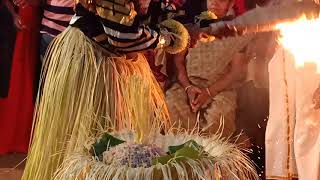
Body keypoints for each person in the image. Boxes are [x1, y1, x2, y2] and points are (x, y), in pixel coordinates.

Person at [22, 0, 189, 179]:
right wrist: (167, 39)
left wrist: (192, 27)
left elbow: (144, 12)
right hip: (90, 61)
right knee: (95, 141)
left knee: (111, 137)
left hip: (110, 61)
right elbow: (122, 36)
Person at [166, 0, 252, 137]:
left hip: (220, 88)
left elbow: (235, 71)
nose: (215, 2)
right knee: (172, 103)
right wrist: (188, 88)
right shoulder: (189, 27)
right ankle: (182, 154)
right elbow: (179, 62)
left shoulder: (239, 32)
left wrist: (209, 92)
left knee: (219, 116)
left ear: (230, 5)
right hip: (187, 84)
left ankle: (211, 156)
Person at [0, 0, 41, 154]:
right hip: (19, 21)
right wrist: (13, 14)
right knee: (19, 71)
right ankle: (18, 129)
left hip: (33, 20)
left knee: (28, 72)